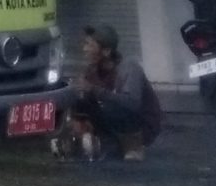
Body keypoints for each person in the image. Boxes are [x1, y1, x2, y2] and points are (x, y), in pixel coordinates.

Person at [65, 25, 160, 160]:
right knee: (80, 103)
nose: (84, 49)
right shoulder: (92, 71)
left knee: (116, 106)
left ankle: (134, 146)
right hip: (114, 121)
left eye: (89, 45)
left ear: (106, 51)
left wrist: (93, 89)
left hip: (143, 126)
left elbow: (131, 103)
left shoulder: (129, 67)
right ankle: (97, 141)